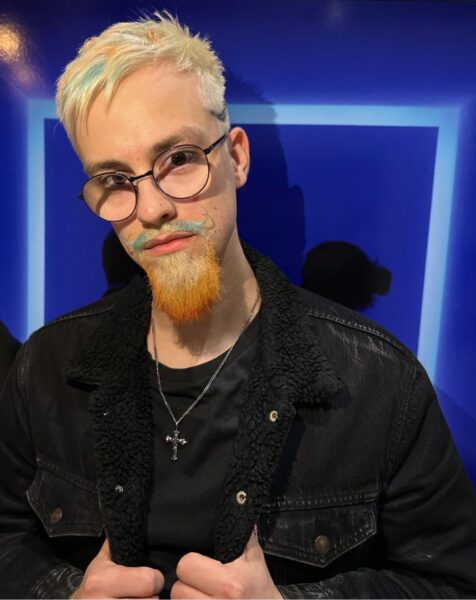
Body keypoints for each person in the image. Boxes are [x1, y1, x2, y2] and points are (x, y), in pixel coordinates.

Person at [0, 11, 475, 600]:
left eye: (178, 159)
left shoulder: (381, 383)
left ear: (237, 157)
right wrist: (61, 593)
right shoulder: (45, 368)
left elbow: (451, 582)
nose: (151, 209)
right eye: (117, 180)